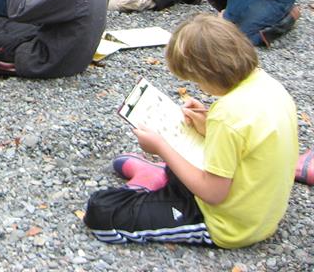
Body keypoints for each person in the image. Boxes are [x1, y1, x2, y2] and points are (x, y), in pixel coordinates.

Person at [84, 15, 298, 248]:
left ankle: (157, 177)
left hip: (227, 223)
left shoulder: (228, 116)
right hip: (259, 208)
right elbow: (248, 140)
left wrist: (161, 149)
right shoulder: (267, 85)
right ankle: (164, 178)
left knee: (101, 212)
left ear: (209, 71)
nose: (198, 86)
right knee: (185, 146)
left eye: (196, 80)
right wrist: (207, 122)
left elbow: (213, 193)